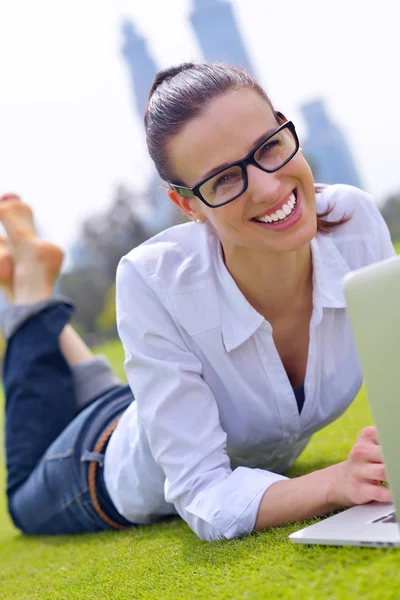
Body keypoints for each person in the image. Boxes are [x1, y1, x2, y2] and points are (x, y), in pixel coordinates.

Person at [2, 62, 395, 542]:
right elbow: (203, 495)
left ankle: (37, 291)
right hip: (98, 464)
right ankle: (28, 292)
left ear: (283, 126)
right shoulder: (153, 280)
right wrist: (335, 481)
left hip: (158, 414)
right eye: (225, 179)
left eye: (270, 146)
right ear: (188, 205)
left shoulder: (354, 222)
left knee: (125, 403)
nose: (269, 187)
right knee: (23, 499)